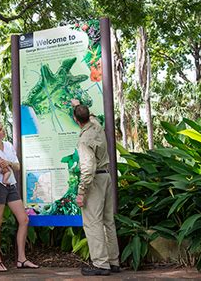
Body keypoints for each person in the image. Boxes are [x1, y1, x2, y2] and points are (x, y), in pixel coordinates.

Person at [0, 121, 39, 272]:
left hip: (11, 185)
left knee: (24, 220)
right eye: (0, 129)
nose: (3, 130)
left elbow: (17, 166)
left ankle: (22, 259)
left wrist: (8, 163)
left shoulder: (9, 145)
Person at [72, 103, 120, 276]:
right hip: (106, 176)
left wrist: (81, 192)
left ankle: (101, 264)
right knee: (108, 220)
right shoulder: (97, 127)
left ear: (75, 120)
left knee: (93, 222)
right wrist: (79, 106)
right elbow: (92, 117)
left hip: (95, 180)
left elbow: (87, 168)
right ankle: (113, 261)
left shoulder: (84, 140)